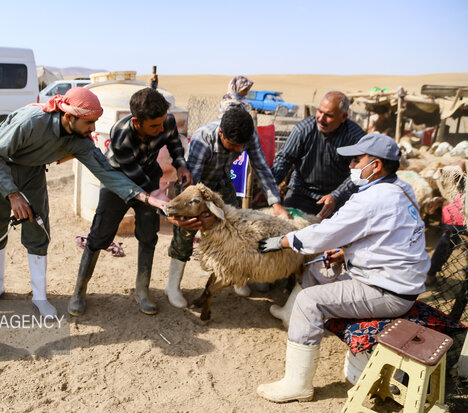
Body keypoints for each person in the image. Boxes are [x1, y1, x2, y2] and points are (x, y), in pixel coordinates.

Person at [255, 133, 430, 403]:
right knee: (316, 269)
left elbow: (325, 233)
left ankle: (297, 384)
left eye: (357, 160)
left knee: (308, 301)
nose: (351, 166)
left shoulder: (373, 199)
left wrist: (283, 240)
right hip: (395, 278)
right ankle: (298, 324)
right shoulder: (401, 188)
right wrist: (347, 251)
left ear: (377, 166)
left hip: (387, 291)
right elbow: (387, 238)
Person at [0, 87, 166, 317]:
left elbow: (107, 173)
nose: (93, 129)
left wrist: (146, 198)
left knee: (38, 231)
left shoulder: (81, 142)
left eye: (96, 122)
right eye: (89, 122)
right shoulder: (32, 121)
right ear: (69, 117)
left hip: (32, 174)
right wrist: (13, 195)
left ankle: (39, 297)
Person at [68, 88, 192, 316]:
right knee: (99, 236)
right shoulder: (121, 133)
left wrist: (181, 164)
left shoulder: (166, 121)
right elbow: (133, 175)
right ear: (137, 121)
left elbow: (174, 142)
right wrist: (157, 197)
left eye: (162, 123)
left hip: (148, 175)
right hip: (118, 180)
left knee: (148, 235)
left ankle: (142, 290)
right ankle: (79, 290)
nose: (160, 129)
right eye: (154, 126)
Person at [165, 106, 290, 308]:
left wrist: (276, 203)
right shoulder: (202, 139)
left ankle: (237, 276)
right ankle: (172, 285)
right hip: (197, 190)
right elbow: (191, 185)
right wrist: (200, 215)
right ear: (221, 133)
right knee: (185, 231)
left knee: (237, 229)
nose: (238, 151)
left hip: (222, 185)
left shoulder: (248, 136)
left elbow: (261, 167)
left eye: (241, 146)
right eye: (232, 145)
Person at [272, 90, 366, 218]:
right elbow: (284, 159)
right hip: (301, 193)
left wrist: (336, 196)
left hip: (338, 198)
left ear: (343, 117)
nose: (321, 119)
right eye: (319, 111)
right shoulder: (303, 130)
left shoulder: (355, 137)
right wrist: (270, 189)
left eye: (329, 115)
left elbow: (360, 171)